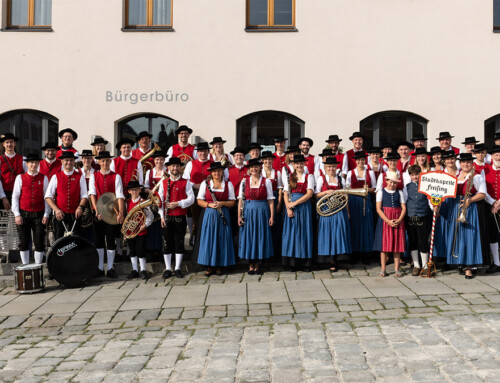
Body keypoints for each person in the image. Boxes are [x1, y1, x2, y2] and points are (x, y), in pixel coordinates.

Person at [447, 153, 486, 279]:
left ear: (472, 163)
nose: (466, 164)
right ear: (460, 163)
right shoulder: (456, 176)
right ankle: (461, 262)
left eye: (468, 162)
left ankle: (469, 267)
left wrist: (470, 200)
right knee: (458, 237)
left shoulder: (477, 177)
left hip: (470, 209)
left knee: (469, 237)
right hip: (456, 208)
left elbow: (482, 194)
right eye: (463, 162)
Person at [88, 151, 125, 278]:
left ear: (110, 161)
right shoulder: (94, 176)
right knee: (98, 241)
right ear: (99, 162)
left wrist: (120, 213)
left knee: (110, 240)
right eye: (102, 161)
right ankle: (99, 268)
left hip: (111, 213)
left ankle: (110, 268)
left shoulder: (116, 177)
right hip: (98, 213)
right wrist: (96, 210)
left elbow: (120, 196)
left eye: (107, 160)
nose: (104, 163)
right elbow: (92, 194)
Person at [196, 162, 236, 276]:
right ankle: (210, 266)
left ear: (222, 171)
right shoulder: (205, 184)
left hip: (223, 214)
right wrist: (209, 205)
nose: (216, 173)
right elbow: (199, 201)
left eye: (219, 171)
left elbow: (232, 202)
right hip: (209, 215)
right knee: (209, 239)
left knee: (222, 239)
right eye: (214, 171)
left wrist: (222, 203)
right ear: (211, 173)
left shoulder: (228, 184)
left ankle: (219, 265)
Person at [159, 157, 195, 279]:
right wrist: (161, 217)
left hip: (180, 216)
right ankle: (168, 268)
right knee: (166, 243)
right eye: (172, 166)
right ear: (168, 168)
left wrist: (178, 203)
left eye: (177, 166)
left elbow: (191, 199)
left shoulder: (186, 182)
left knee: (179, 243)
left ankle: (178, 268)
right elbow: (159, 201)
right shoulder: (164, 183)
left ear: (180, 168)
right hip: (166, 217)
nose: (174, 168)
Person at [12, 153, 50, 265]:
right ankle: (25, 266)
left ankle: (38, 267)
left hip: (39, 213)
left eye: (36, 162)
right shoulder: (20, 177)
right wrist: (17, 214)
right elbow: (15, 196)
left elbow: (46, 197)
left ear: (38, 164)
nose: (34, 164)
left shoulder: (44, 178)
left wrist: (46, 214)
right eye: (31, 162)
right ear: (27, 164)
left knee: (39, 241)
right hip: (23, 213)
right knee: (23, 241)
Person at [238, 158, 274, 274]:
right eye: (252, 167)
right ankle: (250, 264)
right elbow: (241, 200)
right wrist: (239, 216)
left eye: (256, 167)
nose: (254, 169)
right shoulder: (244, 182)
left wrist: (272, 216)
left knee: (259, 236)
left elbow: (270, 200)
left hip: (262, 212)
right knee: (249, 237)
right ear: (249, 169)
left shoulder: (266, 181)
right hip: (248, 212)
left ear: (260, 168)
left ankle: (258, 264)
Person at [315, 157, 351, 272]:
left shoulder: (341, 179)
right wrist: (326, 192)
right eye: (329, 167)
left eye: (333, 167)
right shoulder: (321, 179)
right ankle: (329, 259)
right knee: (327, 234)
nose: (331, 168)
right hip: (326, 210)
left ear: (336, 168)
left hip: (339, 210)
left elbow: (345, 196)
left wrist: (348, 210)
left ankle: (337, 258)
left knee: (338, 234)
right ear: (325, 168)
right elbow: (316, 195)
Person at [45, 151, 87, 240]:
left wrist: (80, 207)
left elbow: (84, 195)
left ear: (74, 161)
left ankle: (75, 254)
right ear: (62, 162)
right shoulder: (56, 177)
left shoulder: (80, 176)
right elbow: (48, 196)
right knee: (58, 240)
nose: (69, 163)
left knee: (76, 240)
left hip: (75, 213)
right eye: (66, 160)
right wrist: (56, 210)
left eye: (71, 160)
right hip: (60, 213)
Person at [282, 154, 314, 271]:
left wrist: (294, 204)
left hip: (304, 207)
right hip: (291, 207)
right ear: (294, 165)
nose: (299, 165)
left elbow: (309, 194)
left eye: (301, 163)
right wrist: (288, 207)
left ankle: (305, 263)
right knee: (292, 234)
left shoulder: (309, 176)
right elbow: (286, 193)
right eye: (297, 163)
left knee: (304, 233)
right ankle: (292, 263)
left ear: (304, 164)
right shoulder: (289, 177)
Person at [374, 171, 407, 277]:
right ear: (386, 181)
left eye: (394, 183)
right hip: (385, 220)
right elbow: (378, 209)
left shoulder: (400, 192)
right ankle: (383, 269)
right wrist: (388, 221)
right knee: (384, 246)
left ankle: (397, 268)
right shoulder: (381, 192)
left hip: (397, 219)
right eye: (390, 182)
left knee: (397, 245)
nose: (392, 184)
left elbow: (403, 208)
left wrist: (400, 219)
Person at [346, 151, 377, 263]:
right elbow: (347, 189)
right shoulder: (351, 173)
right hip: (354, 201)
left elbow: (374, 188)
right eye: (358, 160)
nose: (360, 162)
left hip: (365, 200)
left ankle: (366, 254)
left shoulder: (370, 172)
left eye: (362, 160)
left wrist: (367, 189)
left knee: (365, 226)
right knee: (355, 226)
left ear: (365, 161)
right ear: (355, 161)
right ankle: (355, 253)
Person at [183, 141, 213, 246]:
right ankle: (194, 236)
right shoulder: (191, 164)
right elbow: (185, 179)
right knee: (194, 216)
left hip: (209, 195)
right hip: (195, 193)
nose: (203, 153)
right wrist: (195, 185)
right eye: (200, 151)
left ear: (208, 152)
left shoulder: (212, 163)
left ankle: (206, 238)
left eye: (205, 151)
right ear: (198, 152)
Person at [405, 165, 432, 276]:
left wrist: (434, 208)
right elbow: (404, 201)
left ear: (420, 174)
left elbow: (430, 200)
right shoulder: (406, 187)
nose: (415, 177)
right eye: (412, 175)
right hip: (410, 217)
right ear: (410, 176)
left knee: (423, 241)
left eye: (416, 174)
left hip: (423, 216)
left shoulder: (426, 186)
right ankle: (416, 265)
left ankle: (425, 265)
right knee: (413, 241)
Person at [433, 151, 460, 262]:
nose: (450, 161)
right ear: (444, 160)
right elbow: (434, 192)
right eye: (448, 159)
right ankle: (443, 258)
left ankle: (453, 257)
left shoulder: (461, 173)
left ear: (455, 159)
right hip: (444, 202)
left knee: (455, 231)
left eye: (452, 158)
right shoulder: (440, 173)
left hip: (456, 202)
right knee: (443, 230)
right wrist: (435, 206)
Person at [125, 180, 154, 280]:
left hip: (141, 231)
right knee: (132, 250)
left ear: (139, 190)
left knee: (140, 250)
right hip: (130, 231)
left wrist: (145, 225)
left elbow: (150, 216)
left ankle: (143, 270)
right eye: (132, 190)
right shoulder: (127, 202)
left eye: (136, 190)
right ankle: (134, 270)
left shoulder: (143, 202)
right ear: (129, 191)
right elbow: (126, 217)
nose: (134, 192)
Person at [144, 150, 167, 255]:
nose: (159, 161)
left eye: (161, 159)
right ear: (154, 161)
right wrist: (151, 192)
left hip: (163, 201)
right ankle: (150, 249)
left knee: (160, 226)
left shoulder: (167, 172)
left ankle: (159, 249)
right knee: (151, 224)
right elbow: (145, 187)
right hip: (152, 201)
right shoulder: (149, 172)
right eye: (157, 159)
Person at [262, 151, 282, 258]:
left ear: (272, 160)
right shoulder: (260, 172)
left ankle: (274, 252)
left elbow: (280, 189)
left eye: (269, 159)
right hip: (263, 200)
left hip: (273, 199)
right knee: (264, 225)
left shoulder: (277, 173)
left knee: (274, 225)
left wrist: (279, 203)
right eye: (265, 159)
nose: (268, 161)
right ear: (262, 161)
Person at [484, 145, 500, 274]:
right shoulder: (485, 169)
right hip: (490, 207)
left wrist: (499, 203)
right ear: (492, 157)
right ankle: (496, 262)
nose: (498, 157)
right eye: (496, 155)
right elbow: (483, 190)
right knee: (493, 235)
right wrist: (493, 203)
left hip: (498, 205)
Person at [0, 133, 26, 209]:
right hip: (3, 193)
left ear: (14, 143)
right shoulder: (0, 160)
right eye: (7, 142)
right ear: (3, 144)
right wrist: (3, 197)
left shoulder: (23, 159)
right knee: (4, 219)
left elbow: (27, 177)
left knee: (18, 218)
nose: (9, 144)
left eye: (11, 142)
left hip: (20, 194)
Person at [227, 146, 247, 243]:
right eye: (236, 155)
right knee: (233, 227)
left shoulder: (249, 170)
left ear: (244, 157)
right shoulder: (228, 170)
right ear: (234, 157)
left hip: (246, 202)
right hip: (233, 202)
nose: (238, 157)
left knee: (244, 226)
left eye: (241, 155)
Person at [79, 150, 96, 243]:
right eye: (85, 158)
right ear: (81, 159)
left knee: (92, 228)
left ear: (92, 159)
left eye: (89, 158)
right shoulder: (77, 172)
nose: (87, 160)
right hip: (80, 203)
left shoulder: (96, 172)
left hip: (92, 204)